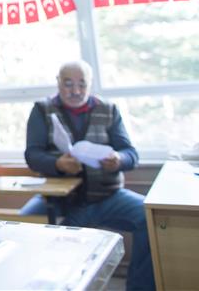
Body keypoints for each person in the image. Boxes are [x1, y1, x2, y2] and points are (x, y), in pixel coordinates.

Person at [21, 60, 154, 291]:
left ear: (90, 84)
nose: (75, 91)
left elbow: (131, 154)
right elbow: (32, 155)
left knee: (150, 217)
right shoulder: (41, 110)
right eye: (68, 84)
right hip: (60, 199)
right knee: (22, 226)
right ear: (58, 83)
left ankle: (139, 287)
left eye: (82, 84)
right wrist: (58, 164)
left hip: (108, 197)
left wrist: (118, 160)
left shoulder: (109, 109)